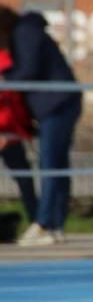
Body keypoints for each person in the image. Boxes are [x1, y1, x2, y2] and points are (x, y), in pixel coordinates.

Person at [0, 6, 82, 246]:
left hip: (57, 104)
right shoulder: (26, 32)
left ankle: (45, 223)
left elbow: (28, 70)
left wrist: (5, 80)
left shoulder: (25, 32)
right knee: (57, 164)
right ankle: (54, 224)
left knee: (51, 164)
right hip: (54, 105)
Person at [0, 47, 38, 224]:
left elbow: (16, 104)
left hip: (10, 134)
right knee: (24, 178)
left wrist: (20, 132)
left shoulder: (9, 61)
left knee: (24, 178)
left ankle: (36, 221)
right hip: (8, 132)